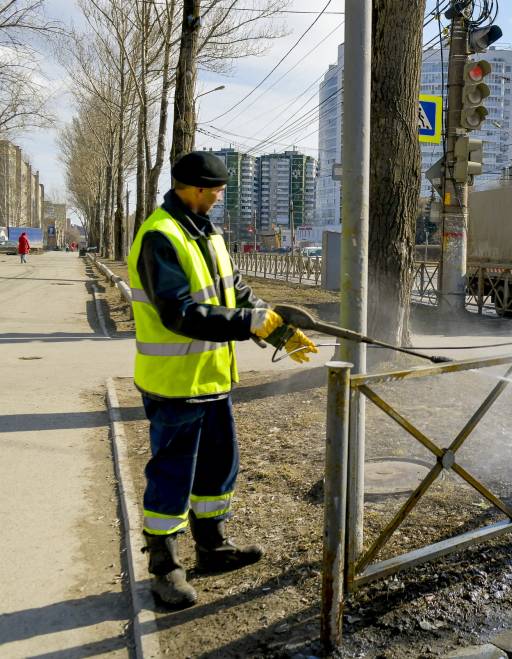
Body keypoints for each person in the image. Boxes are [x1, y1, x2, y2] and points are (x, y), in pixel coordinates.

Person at [126, 151, 318, 608]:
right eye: (215, 191)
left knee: (217, 469)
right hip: (175, 385)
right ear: (193, 188)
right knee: (172, 475)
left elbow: (235, 291)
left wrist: (276, 327)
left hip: (212, 381)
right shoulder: (160, 236)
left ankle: (212, 548)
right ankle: (165, 568)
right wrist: (249, 324)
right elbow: (180, 314)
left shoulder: (206, 231)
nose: (218, 197)